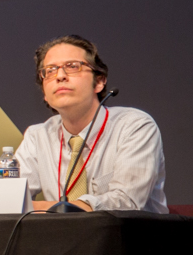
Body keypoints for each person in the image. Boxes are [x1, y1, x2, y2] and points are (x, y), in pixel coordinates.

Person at [15, 35, 166, 213]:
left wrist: (44, 208)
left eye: (72, 66)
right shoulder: (37, 136)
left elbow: (126, 202)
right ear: (45, 94)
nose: (60, 76)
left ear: (99, 82)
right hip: (61, 232)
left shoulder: (134, 126)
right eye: (50, 71)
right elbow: (10, 199)